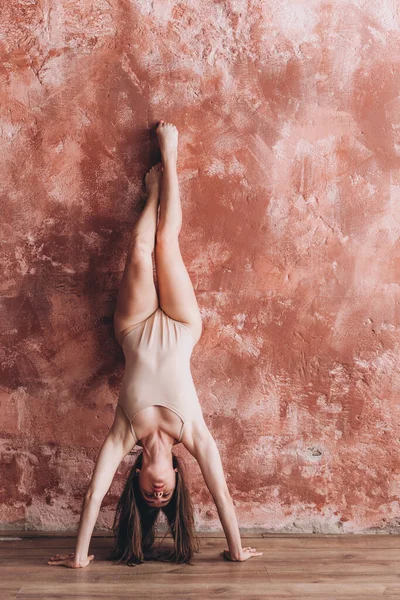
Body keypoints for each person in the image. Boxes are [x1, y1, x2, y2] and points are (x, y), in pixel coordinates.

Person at [48, 120, 263, 567]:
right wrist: (237, 551)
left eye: (151, 498)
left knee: (140, 247)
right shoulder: (194, 435)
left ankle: (153, 194)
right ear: (177, 480)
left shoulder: (123, 434)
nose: (159, 495)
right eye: (166, 499)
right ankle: (171, 158)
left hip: (134, 327)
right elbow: (221, 491)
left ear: (138, 481)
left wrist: (80, 556)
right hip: (183, 327)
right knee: (168, 241)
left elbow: (93, 492)